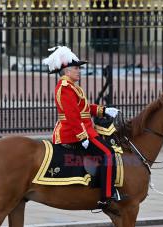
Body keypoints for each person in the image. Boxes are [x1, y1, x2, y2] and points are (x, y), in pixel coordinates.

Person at [42, 46, 128, 209]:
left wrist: (103, 110)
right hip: (73, 133)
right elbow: (73, 117)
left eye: (79, 68)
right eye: (76, 68)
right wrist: (83, 137)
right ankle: (107, 196)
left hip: (84, 130)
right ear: (66, 71)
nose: (79, 71)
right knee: (108, 153)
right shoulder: (66, 88)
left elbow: (84, 108)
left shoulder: (72, 87)